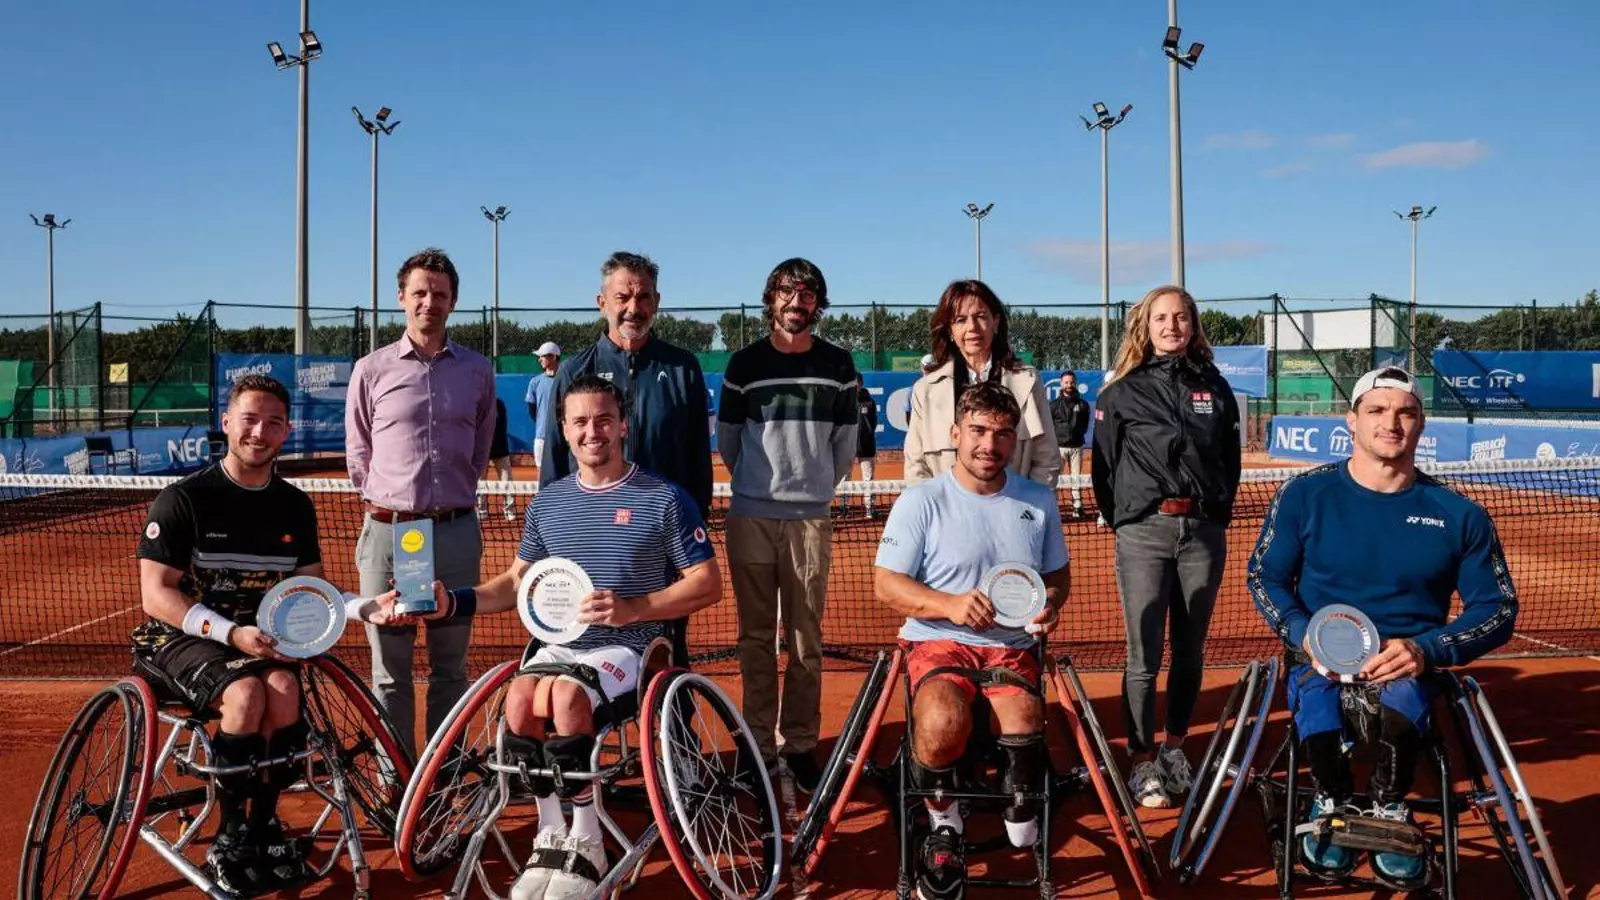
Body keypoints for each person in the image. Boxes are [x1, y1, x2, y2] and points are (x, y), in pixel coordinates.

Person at [405, 375, 721, 900]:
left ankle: (589, 841)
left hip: (632, 647)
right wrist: (452, 601)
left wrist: (635, 607)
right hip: (559, 646)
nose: (593, 431)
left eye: (604, 420)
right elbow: (516, 583)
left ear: (623, 426)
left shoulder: (665, 499)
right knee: (520, 698)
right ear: (565, 430)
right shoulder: (547, 504)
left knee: (568, 697)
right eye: (580, 422)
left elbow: (707, 583)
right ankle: (551, 834)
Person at [1247, 366, 1518, 888]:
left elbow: (1497, 608)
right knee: (1317, 696)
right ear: (1352, 421)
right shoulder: (1303, 494)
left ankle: (1389, 806)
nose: (1390, 423)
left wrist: (1427, 648)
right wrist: (1304, 633)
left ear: (1421, 424)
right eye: (1376, 410)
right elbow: (1266, 576)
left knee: (1406, 695)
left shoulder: (1460, 514)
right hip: (1319, 655)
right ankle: (1331, 800)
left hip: (1410, 663)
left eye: (1405, 412)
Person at [133, 375, 400, 894]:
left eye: (273, 423)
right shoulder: (183, 499)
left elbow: (311, 590)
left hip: (259, 641)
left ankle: (263, 825)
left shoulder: (295, 506)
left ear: (286, 432)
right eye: (249, 420)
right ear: (226, 423)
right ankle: (230, 834)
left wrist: (365, 608)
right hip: (181, 638)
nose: (260, 432)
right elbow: (156, 595)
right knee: (247, 695)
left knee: (282, 691)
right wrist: (231, 633)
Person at [874, 381, 1070, 900]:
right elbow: (886, 584)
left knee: (1025, 723)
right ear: (955, 433)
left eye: (1002, 434)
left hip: (1011, 647)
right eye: (978, 431)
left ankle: (1019, 800)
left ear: (1014, 440)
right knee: (942, 721)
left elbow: (1057, 576)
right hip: (938, 641)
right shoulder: (921, 500)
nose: (989, 444)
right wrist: (950, 604)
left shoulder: (1037, 500)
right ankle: (944, 823)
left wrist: (1050, 603)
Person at [1090, 284, 1241, 809]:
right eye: (1161, 318)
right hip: (1143, 534)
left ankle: (1174, 748)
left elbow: (1229, 460)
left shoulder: (1215, 388)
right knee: (1143, 655)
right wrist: (1129, 520)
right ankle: (1140, 759)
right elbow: (1104, 469)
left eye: (1181, 317)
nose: (1172, 326)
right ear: (1146, 326)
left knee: (1190, 651)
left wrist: (1213, 513)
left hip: (1203, 534)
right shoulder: (1122, 392)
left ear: (1193, 325)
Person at [346, 247, 496, 759]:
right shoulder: (370, 369)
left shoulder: (477, 370)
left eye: (440, 294)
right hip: (390, 536)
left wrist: (447, 499)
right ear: (401, 298)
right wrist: (395, 502)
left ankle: (442, 777)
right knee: (389, 672)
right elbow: (359, 453)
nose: (429, 302)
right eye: (420, 292)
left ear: (453, 301)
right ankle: (396, 779)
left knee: (450, 669)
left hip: (455, 534)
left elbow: (479, 448)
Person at [717, 257, 858, 791]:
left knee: (804, 640)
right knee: (754, 639)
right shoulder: (744, 363)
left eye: (807, 294)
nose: (797, 302)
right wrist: (759, 485)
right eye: (787, 292)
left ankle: (799, 745)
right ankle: (757, 744)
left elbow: (844, 445)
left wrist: (812, 487)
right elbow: (729, 442)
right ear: (771, 298)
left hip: (810, 521)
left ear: (818, 303)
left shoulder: (838, 364)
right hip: (750, 517)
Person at [539, 253, 712, 521]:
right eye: (622, 297)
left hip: (664, 525)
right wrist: (550, 520)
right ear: (602, 303)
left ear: (656, 302)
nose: (633, 308)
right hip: (591, 523)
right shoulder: (574, 371)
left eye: (643, 297)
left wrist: (695, 518)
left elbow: (698, 456)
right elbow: (555, 456)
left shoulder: (683, 368)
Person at [904, 280, 1061, 488]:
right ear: (950, 330)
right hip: (946, 509)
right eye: (961, 320)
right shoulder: (925, 390)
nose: (972, 327)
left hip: (1016, 506)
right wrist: (936, 507)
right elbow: (916, 467)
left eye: (980, 316)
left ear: (995, 322)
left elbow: (1046, 458)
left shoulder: (1028, 381)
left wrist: (1031, 505)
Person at [1050, 370, 1091, 518]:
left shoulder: (1083, 404)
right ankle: (1053, 507)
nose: (1069, 385)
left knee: (1076, 479)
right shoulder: (1053, 405)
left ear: (1076, 383)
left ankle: (1077, 507)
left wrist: (1077, 435)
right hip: (1059, 448)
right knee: (1057, 479)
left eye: (1072, 382)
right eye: (1066, 382)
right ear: (1061, 384)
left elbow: (1085, 424)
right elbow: (1050, 425)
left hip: (1077, 447)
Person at [480, 396, 518, 521]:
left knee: (506, 479)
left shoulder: (499, 404)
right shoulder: (476, 404)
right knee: (480, 481)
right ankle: (482, 510)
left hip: (500, 449)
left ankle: (509, 510)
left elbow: (501, 429)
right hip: (481, 450)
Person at [525, 341, 561, 467]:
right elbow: (531, 409)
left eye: (542, 356)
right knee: (541, 471)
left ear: (554, 357)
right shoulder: (535, 382)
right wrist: (543, 423)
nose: (539, 360)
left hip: (563, 436)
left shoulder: (566, 379)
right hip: (541, 436)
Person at [854, 373, 880, 516]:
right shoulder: (845, 401)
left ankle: (869, 507)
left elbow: (873, 423)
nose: (854, 385)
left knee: (868, 478)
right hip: (848, 446)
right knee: (844, 478)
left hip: (866, 446)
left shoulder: (870, 402)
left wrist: (866, 437)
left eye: (856, 382)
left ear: (861, 383)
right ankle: (844, 508)